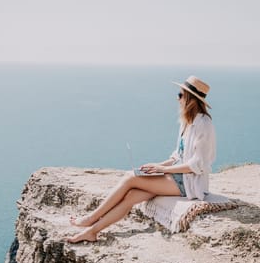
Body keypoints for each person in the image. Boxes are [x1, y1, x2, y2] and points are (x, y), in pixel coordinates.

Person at [66, 76, 216, 243]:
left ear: (191, 99)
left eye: (180, 95)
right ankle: (92, 232)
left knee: (130, 177)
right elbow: (177, 156)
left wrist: (163, 170)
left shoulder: (203, 124)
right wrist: (157, 166)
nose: (177, 98)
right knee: (131, 196)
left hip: (188, 183)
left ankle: (90, 219)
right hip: (177, 177)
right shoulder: (187, 121)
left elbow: (198, 164)